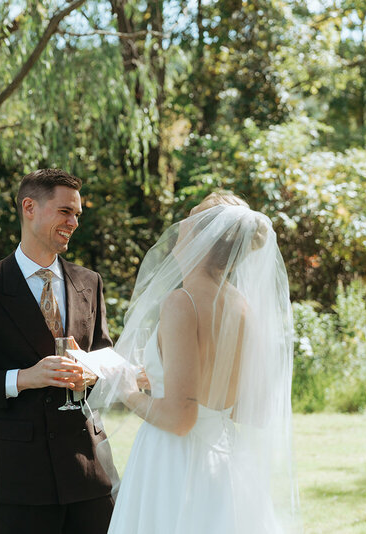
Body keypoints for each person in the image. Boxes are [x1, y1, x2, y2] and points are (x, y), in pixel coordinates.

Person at [91, 191, 300, 533]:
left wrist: (128, 389)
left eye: (189, 222)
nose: (180, 227)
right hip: (226, 461)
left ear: (203, 239)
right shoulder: (242, 308)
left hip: (176, 463)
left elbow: (180, 419)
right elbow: (249, 409)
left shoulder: (181, 302)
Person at [0, 168, 115, 534]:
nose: (74, 222)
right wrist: (22, 379)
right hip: (21, 479)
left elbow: (105, 354)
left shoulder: (89, 282)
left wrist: (93, 371)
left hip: (90, 472)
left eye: (78, 214)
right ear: (29, 207)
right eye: (65, 211)